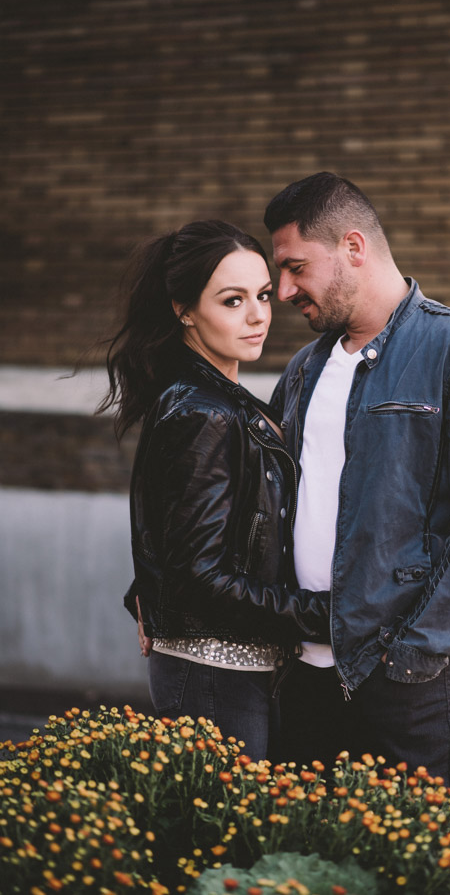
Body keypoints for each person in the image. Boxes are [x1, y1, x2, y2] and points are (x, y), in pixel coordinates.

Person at [264, 172, 450, 794]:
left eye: (296, 268)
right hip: (305, 675)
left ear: (353, 248)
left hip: (409, 684)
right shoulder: (305, 370)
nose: (282, 291)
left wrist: (415, 654)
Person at [99, 220, 329, 761]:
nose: (258, 316)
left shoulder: (224, 400)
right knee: (219, 845)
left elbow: (191, 541)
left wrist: (147, 591)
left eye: (264, 295)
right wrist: (326, 616)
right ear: (184, 309)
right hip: (214, 677)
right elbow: (199, 576)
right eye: (232, 300)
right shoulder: (204, 412)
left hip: (235, 671)